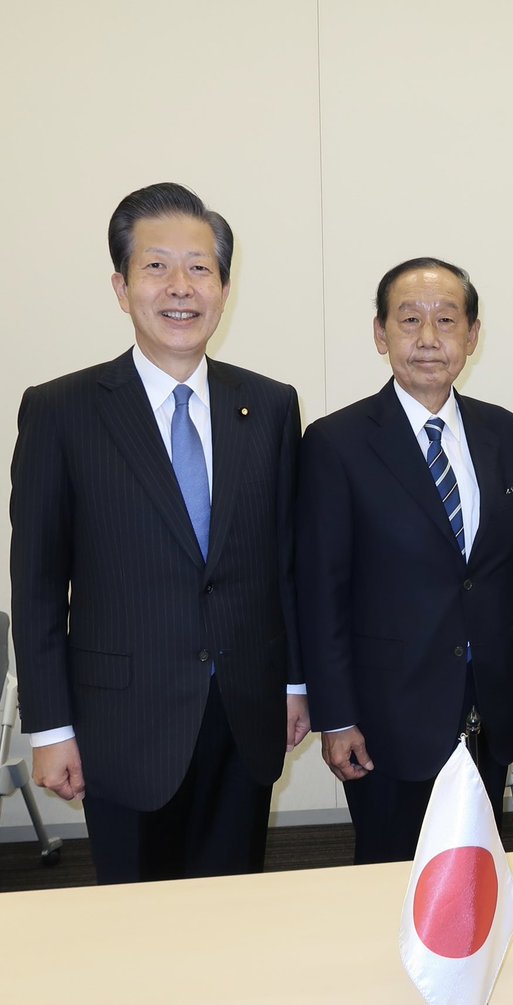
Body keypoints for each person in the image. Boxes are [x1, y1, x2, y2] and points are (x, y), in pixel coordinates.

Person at [10, 182, 308, 883]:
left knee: (236, 902)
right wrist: (50, 728)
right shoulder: (61, 411)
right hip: (121, 721)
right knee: (136, 918)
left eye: (200, 268)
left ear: (224, 288)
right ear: (121, 288)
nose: (181, 287)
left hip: (245, 710)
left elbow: (285, 561)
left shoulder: (269, 405)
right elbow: (38, 586)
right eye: (156, 266)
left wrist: (295, 682)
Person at [296, 257, 513, 863]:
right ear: (380, 334)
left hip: (487, 701)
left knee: (478, 868)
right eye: (410, 320)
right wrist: (336, 717)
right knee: (392, 873)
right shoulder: (336, 443)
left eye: (447, 320)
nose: (429, 338)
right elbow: (320, 592)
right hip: (387, 714)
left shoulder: (507, 434)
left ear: (472, 335)